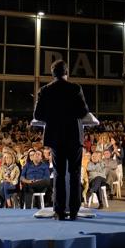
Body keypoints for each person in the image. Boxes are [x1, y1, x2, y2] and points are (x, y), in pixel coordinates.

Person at [33, 60, 89, 221]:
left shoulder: (44, 90)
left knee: (59, 174)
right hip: (73, 136)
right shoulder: (75, 88)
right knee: (75, 173)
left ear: (52, 73)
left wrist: (53, 117)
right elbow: (83, 111)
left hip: (56, 138)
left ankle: (58, 211)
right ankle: (73, 211)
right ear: (66, 72)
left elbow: (38, 115)